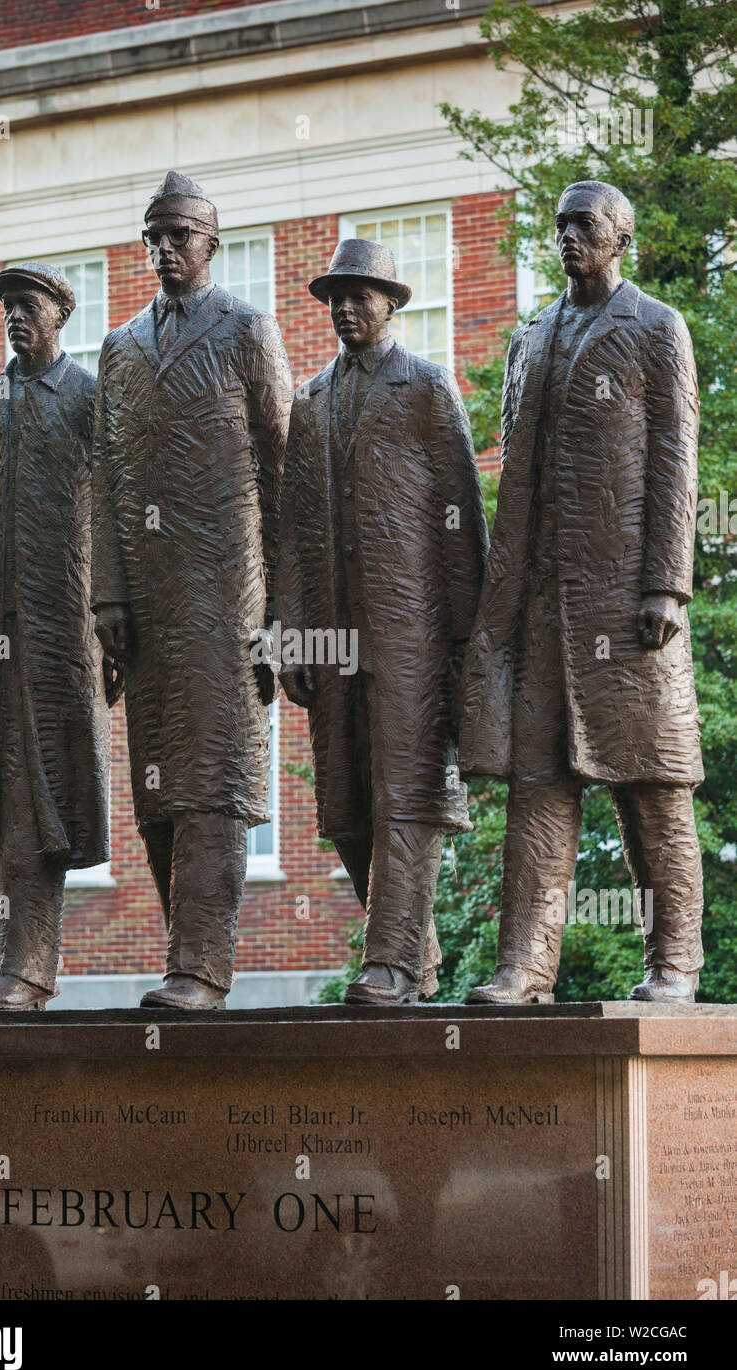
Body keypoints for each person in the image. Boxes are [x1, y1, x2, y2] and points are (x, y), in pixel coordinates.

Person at [460, 181, 704, 1004]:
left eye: (586, 226)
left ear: (620, 239)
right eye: (561, 226)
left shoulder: (656, 327)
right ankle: (523, 969)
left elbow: (676, 458)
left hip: (632, 607)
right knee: (538, 793)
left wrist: (668, 584)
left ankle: (673, 964)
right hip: (541, 608)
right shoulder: (532, 340)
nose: (569, 238)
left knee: (654, 791)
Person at [92, 171, 292, 1011]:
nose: (166, 250)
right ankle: (186, 955)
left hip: (228, 598)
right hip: (145, 602)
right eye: (155, 237)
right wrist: (105, 600)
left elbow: (285, 472)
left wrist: (287, 609)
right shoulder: (120, 347)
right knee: (156, 790)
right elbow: (103, 482)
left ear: (212, 242)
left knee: (214, 779)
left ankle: (201, 968)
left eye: (181, 235)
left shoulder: (248, 330)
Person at [277, 239, 488, 1004]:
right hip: (333, 637)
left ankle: (392, 964)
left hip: (414, 634)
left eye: (361, 294)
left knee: (409, 795)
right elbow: (293, 529)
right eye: (335, 295)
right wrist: (291, 635)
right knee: (345, 808)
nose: (345, 307)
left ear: (391, 303)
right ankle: (419, 959)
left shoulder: (427, 388)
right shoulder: (310, 400)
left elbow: (464, 528)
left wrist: (469, 646)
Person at [0, 262, 114, 1011]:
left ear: (59, 313)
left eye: (28, 304)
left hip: (59, 633)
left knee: (44, 802)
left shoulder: (89, 398)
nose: (15, 315)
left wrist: (113, 619)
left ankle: (28, 966)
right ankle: (17, 953)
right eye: (7, 305)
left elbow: (115, 516)